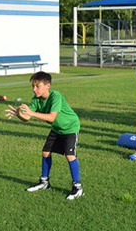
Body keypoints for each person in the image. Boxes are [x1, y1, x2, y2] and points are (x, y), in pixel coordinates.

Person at [5, 72, 84, 200]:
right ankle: (44, 182)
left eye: (37, 86)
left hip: (70, 127)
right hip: (57, 128)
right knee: (46, 152)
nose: (34, 89)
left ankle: (78, 187)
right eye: (33, 86)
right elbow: (27, 117)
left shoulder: (55, 96)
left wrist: (32, 113)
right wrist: (18, 114)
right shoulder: (36, 99)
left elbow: (52, 117)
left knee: (70, 156)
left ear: (48, 86)